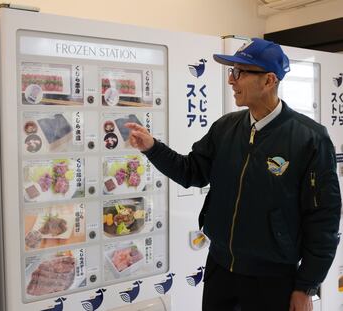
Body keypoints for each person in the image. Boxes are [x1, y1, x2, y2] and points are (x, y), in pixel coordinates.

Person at [125, 38, 341, 311]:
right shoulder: (226, 127)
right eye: (231, 72)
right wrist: (152, 148)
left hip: (272, 278)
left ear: (269, 80)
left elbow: (324, 219)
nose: (231, 80)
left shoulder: (310, 139)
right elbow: (191, 172)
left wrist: (305, 285)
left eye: (240, 72)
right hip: (220, 267)